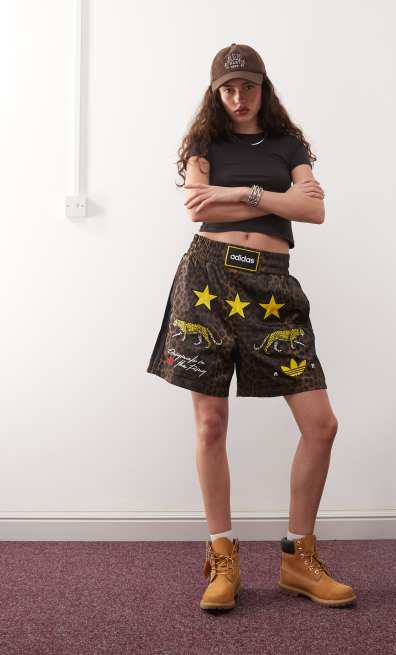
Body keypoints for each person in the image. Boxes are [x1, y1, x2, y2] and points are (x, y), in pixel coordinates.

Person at [147, 43, 356, 611]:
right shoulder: (203, 143)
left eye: (249, 87)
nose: (239, 98)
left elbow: (313, 211)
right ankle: (223, 558)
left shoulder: (289, 145)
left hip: (272, 285)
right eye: (228, 89)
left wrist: (237, 193)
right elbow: (197, 207)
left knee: (321, 425)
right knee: (211, 424)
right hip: (207, 280)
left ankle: (298, 558)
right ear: (215, 93)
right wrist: (272, 199)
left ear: (265, 88)